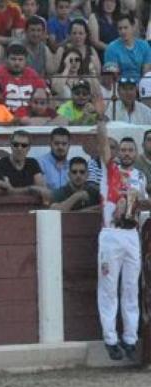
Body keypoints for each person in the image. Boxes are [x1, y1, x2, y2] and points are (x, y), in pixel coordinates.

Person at [93, 95, 146, 361]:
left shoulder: (140, 176)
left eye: (129, 150)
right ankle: (111, 339)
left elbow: (145, 201)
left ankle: (130, 338)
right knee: (109, 286)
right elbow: (102, 144)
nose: (125, 153)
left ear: (135, 154)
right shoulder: (109, 170)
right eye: (122, 150)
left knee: (130, 288)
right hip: (112, 234)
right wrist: (101, 118)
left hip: (132, 235)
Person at [0, 130, 53, 205]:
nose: (19, 148)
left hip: (30, 207)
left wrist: (35, 189)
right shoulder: (0, 164)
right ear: (11, 146)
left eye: (24, 145)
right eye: (16, 144)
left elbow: (42, 189)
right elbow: (8, 191)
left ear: (29, 148)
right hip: (7, 207)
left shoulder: (32, 163)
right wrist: (31, 189)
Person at [0, 42, 46, 114]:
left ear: (26, 61)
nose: (17, 63)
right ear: (6, 59)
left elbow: (45, 96)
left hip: (30, 119)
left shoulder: (32, 74)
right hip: (4, 118)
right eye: (13, 59)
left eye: (20, 59)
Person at [102, 13, 151, 80]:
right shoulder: (111, 48)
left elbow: (146, 74)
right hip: (120, 87)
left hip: (141, 85)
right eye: (120, 28)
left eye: (126, 28)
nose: (123, 31)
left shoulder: (144, 45)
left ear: (133, 27)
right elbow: (114, 77)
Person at [37, 126, 72, 191]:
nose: (60, 147)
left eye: (64, 144)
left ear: (69, 145)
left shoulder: (72, 166)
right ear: (50, 144)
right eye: (56, 143)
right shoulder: (40, 164)